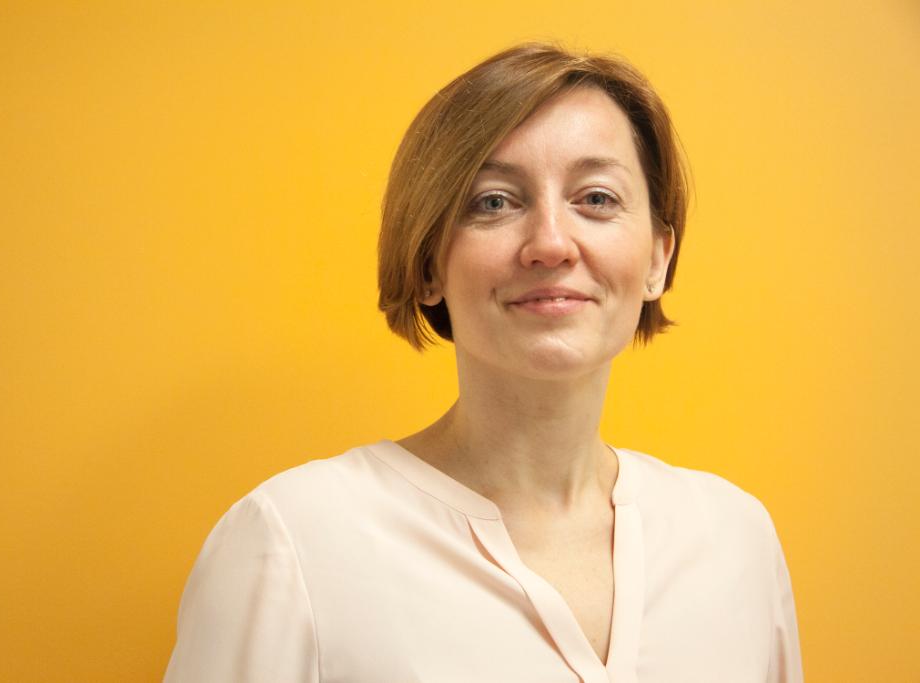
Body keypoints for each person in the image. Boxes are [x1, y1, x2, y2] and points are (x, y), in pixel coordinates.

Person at [164, 42, 803, 683]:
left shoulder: (737, 541)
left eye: (597, 198)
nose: (551, 244)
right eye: (494, 202)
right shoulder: (291, 542)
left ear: (658, 259)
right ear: (427, 265)